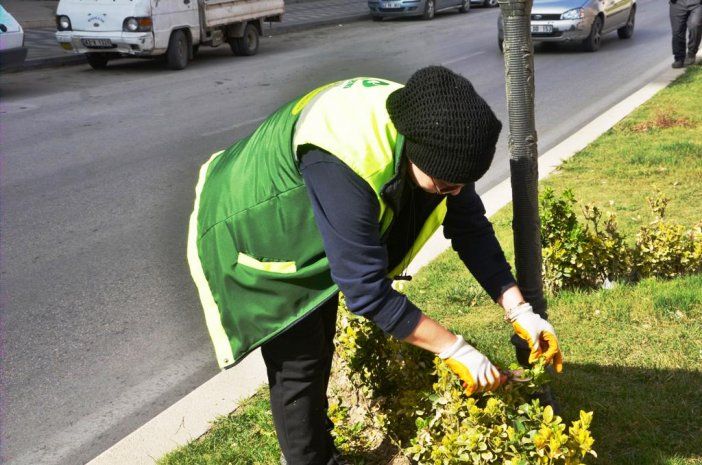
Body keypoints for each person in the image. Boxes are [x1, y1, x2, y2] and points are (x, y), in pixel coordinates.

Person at [187, 66, 564, 465]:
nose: (454, 193)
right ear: (415, 154)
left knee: (318, 343)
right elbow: (365, 292)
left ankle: (317, 445)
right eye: (446, 185)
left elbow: (468, 225)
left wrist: (520, 310)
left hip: (315, 209)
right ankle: (307, 458)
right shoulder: (347, 160)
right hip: (254, 224)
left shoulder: (429, 126)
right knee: (299, 361)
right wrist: (455, 350)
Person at [669, 0, 702, 68]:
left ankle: (691, 53)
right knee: (677, 31)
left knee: (695, 26)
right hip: (677, 3)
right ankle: (679, 58)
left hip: (697, 3)